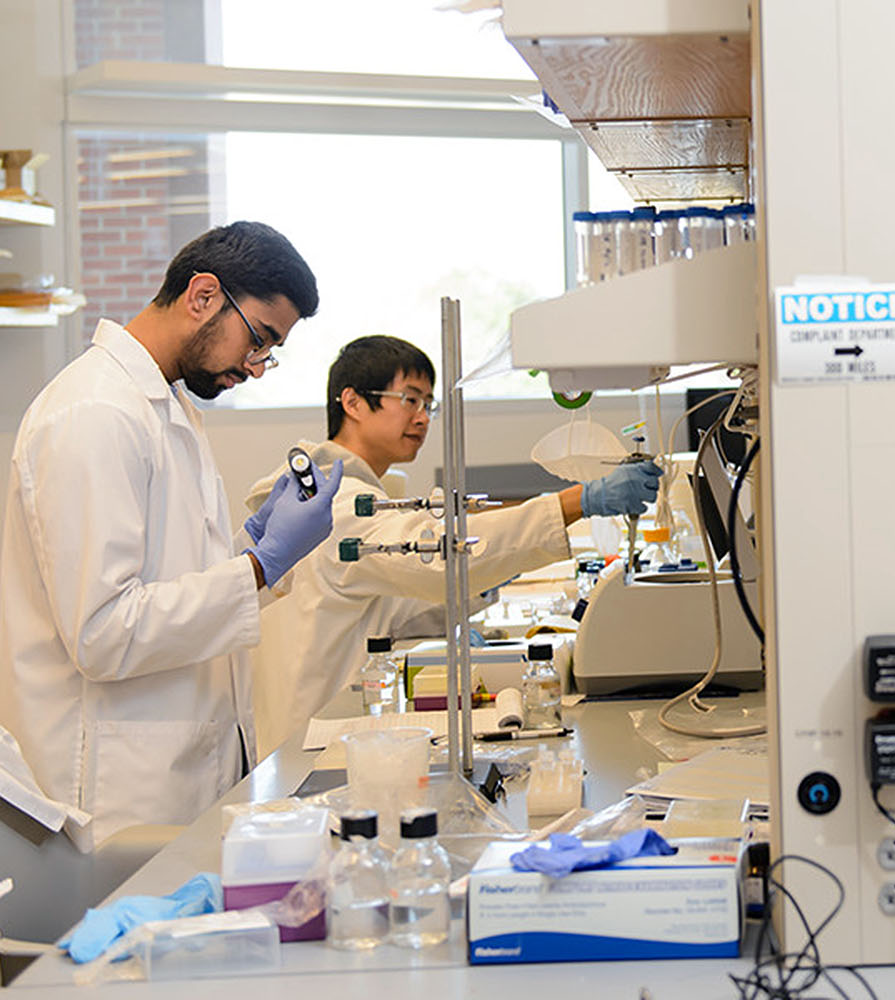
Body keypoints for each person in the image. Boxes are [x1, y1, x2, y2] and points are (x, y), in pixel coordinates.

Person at [0, 222, 339, 851]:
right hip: (115, 789)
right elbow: (102, 631)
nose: (257, 367)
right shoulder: (94, 412)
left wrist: (249, 551)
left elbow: (169, 583)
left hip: (182, 766)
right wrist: (258, 567)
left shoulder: (167, 405)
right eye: (259, 339)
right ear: (203, 296)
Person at [244, 335, 663, 755]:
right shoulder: (337, 500)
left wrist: (501, 565)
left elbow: (399, 603)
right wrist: (578, 501)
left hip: (334, 721)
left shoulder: (347, 489)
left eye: (429, 404)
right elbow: (436, 563)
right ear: (352, 402)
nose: (423, 418)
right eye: (409, 400)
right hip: (314, 736)